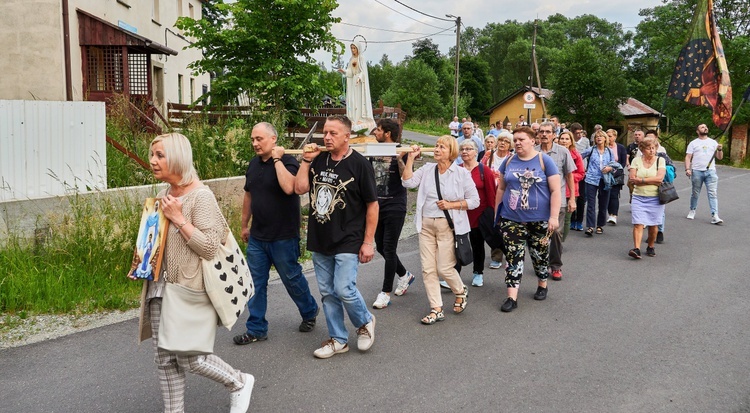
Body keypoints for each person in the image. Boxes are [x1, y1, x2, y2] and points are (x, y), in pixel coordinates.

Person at [135, 132, 254, 413]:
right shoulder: (165, 194)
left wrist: (178, 219)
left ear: (178, 158)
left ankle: (238, 381)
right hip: (159, 287)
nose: (152, 161)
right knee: (164, 358)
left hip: (191, 289)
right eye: (152, 154)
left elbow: (210, 248)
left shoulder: (201, 197)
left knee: (191, 358)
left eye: (160, 155)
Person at [293, 115, 378, 359]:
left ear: (346, 136)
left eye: (333, 133)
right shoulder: (318, 160)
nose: (327, 137)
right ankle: (339, 339)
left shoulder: (360, 164)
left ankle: (364, 321)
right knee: (328, 292)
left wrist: (368, 241)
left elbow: (372, 205)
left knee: (344, 289)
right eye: (325, 133)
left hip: (349, 238)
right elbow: (299, 189)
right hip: (320, 236)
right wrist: (305, 162)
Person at [233, 122, 320, 346]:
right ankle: (256, 328)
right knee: (255, 284)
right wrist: (244, 225)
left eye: (259, 139)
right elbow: (248, 196)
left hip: (283, 236)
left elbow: (290, 187)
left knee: (292, 279)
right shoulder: (253, 165)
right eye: (252, 139)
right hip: (258, 238)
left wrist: (277, 160)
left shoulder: (289, 162)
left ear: (273, 139)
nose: (254, 143)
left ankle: (309, 310)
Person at [401, 136, 479, 325]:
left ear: (451, 152)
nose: (436, 149)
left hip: (448, 227)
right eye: (436, 146)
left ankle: (460, 290)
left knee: (444, 267)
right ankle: (436, 309)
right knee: (428, 269)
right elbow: (408, 182)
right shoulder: (428, 169)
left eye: (441, 147)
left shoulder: (461, 174)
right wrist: (410, 159)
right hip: (426, 224)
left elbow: (474, 201)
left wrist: (451, 204)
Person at [495, 126, 560, 312]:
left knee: (539, 255)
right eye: (515, 140)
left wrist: (554, 217)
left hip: (539, 219)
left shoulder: (544, 160)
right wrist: (496, 213)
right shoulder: (508, 162)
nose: (517, 143)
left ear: (533, 140)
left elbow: (556, 190)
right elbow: (501, 188)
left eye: (521, 139)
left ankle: (542, 283)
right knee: (513, 256)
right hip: (511, 218)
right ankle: (511, 297)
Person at [369, 118, 415, 309]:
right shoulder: (373, 150)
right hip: (377, 205)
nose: (375, 132)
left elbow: (407, 179)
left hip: (395, 205)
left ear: (387, 133)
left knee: (389, 248)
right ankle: (405, 275)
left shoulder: (402, 150)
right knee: (380, 246)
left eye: (378, 130)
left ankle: (385, 293)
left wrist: (399, 158)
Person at [536, 122, 576, 281]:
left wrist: (572, 198)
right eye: (541, 132)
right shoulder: (533, 152)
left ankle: (556, 266)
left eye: (548, 132)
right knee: (539, 233)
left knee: (556, 233)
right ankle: (541, 263)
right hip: (538, 201)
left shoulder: (563, 152)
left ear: (554, 134)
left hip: (558, 200)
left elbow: (569, 176)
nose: (544, 134)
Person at [456, 139, 497, 287]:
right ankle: (454, 275)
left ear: (475, 152)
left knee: (477, 244)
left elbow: (492, 194)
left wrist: (493, 215)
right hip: (460, 214)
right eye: (462, 149)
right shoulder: (456, 169)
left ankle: (478, 273)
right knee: (457, 245)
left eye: (468, 149)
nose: (465, 151)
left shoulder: (483, 170)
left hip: (479, 215)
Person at [628, 136, 666, 258]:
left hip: (655, 198)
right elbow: (633, 179)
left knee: (653, 225)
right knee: (638, 223)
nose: (652, 150)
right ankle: (636, 248)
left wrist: (642, 180)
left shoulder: (660, 161)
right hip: (638, 196)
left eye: (653, 148)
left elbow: (659, 179)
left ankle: (650, 245)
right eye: (649, 148)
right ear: (642, 149)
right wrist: (651, 181)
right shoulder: (636, 161)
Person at [482, 132, 512, 269]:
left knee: (506, 227)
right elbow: (481, 170)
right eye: (500, 140)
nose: (502, 143)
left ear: (510, 145)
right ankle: (496, 256)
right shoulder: (489, 154)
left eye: (506, 141)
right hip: (490, 195)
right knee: (493, 226)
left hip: (507, 197)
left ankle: (511, 255)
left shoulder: (512, 158)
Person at [685, 123, 724, 224]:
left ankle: (714, 215)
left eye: (706, 127)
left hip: (711, 171)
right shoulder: (693, 143)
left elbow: (719, 157)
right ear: (698, 131)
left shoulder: (713, 142)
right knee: (695, 193)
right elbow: (688, 157)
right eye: (702, 127)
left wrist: (719, 149)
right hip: (697, 171)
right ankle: (692, 210)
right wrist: (687, 168)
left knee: (713, 193)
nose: (705, 128)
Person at [580, 130, 616, 236]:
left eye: (601, 136)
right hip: (591, 179)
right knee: (591, 204)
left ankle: (600, 225)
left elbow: (614, 165)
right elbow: (578, 157)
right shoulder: (591, 150)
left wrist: (610, 168)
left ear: (605, 138)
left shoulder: (609, 151)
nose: (599, 138)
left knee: (603, 203)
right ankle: (590, 226)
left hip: (605, 180)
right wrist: (582, 169)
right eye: (597, 136)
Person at [338, 41, 376, 134]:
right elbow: (350, 72)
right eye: (351, 48)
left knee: (359, 101)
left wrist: (359, 78)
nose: (353, 50)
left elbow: (364, 71)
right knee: (352, 100)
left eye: (354, 48)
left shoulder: (361, 58)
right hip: (353, 84)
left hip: (359, 84)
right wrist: (344, 71)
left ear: (358, 48)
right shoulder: (351, 59)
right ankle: (354, 119)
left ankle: (361, 118)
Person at [558, 131, 585, 241]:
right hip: (556, 189)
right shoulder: (554, 153)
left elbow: (581, 173)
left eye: (566, 139)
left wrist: (568, 176)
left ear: (571, 141)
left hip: (570, 190)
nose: (564, 141)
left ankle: (561, 241)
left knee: (566, 219)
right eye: (562, 139)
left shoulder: (576, 155)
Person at [605, 129, 627, 225]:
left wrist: (615, 170)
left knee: (614, 195)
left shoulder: (620, 148)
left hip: (616, 174)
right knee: (606, 195)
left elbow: (623, 162)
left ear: (615, 137)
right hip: (605, 174)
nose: (608, 138)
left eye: (610, 136)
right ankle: (608, 212)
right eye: (607, 136)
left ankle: (613, 215)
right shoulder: (603, 147)